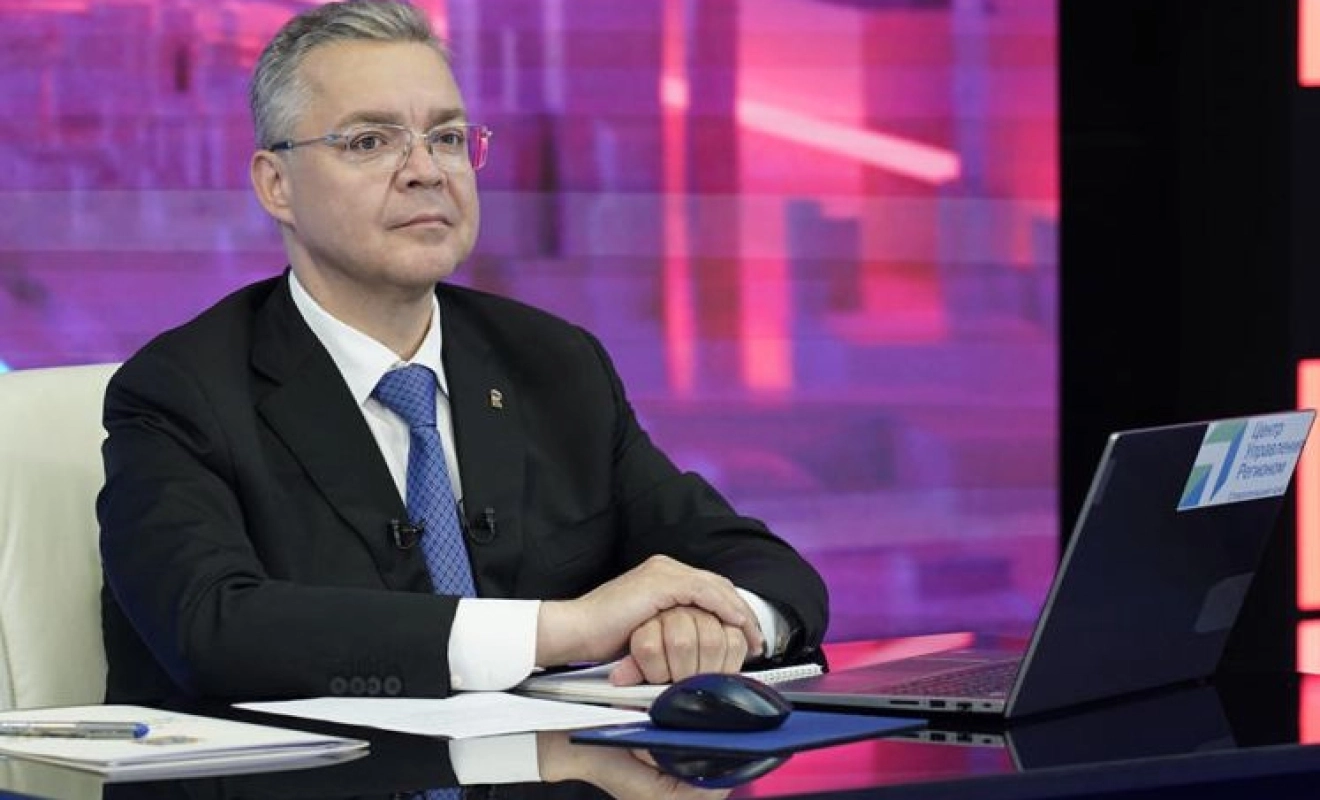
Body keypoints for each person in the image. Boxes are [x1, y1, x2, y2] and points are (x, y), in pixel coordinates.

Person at [98, 0, 827, 703]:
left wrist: (720, 623)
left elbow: (768, 571)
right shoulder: (182, 390)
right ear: (276, 184)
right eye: (370, 141)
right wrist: (562, 630)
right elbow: (213, 628)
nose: (427, 170)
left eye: (447, 138)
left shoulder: (555, 365)